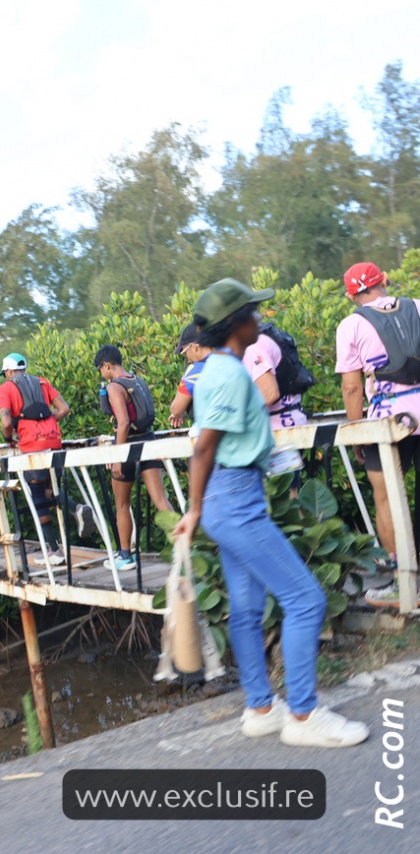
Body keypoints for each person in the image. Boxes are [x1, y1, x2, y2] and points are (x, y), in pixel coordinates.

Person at [174, 277, 369, 748]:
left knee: (245, 610)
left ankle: (261, 709)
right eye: (252, 314)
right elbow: (204, 448)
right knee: (306, 600)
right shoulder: (227, 374)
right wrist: (194, 510)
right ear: (235, 323)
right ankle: (303, 715)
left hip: (229, 498)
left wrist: (201, 508)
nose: (259, 320)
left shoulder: (218, 368)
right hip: (234, 500)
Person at [336, 261, 420, 609]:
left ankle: (404, 584)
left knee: (386, 498)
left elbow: (352, 387)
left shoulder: (352, 325)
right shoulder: (417, 306)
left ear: (350, 295)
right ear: (384, 280)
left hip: (388, 420)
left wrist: (358, 432)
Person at [0, 353, 96, 566]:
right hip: (54, 440)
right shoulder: (42, 382)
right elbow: (64, 409)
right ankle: (76, 509)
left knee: (38, 496)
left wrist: (9, 438)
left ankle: (54, 551)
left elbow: (6, 422)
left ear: (9, 371)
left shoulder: (6, 388)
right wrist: (47, 423)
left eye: (5, 373)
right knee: (51, 489)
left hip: (32, 445)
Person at [95, 345, 173, 571]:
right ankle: (186, 548)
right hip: (149, 442)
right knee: (160, 499)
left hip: (128, 446)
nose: (102, 374)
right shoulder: (139, 381)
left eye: (100, 370)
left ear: (106, 365)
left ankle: (126, 557)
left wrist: (117, 457)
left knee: (122, 505)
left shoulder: (114, 386)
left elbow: (123, 424)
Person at [169, 323, 209, 429]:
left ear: (193, 347)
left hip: (208, 429)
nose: (188, 357)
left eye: (185, 351)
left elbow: (176, 408)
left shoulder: (196, 369)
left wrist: (179, 412)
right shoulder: (227, 360)